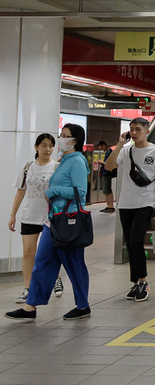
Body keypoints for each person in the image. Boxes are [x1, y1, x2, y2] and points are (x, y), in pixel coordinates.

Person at [5, 124, 92, 321]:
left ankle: (82, 305)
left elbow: (81, 193)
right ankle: (31, 306)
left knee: (74, 264)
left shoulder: (77, 161)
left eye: (65, 136)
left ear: (75, 140)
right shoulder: (64, 161)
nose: (60, 139)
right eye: (61, 135)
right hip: (52, 221)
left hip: (68, 222)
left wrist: (53, 192)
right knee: (42, 263)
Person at [103, 117, 155, 303]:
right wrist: (119, 144)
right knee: (131, 243)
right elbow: (109, 166)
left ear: (147, 131)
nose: (134, 132)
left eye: (138, 129)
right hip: (125, 203)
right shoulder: (125, 150)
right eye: (131, 129)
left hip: (145, 203)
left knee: (136, 240)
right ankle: (136, 282)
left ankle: (143, 281)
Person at [7, 133, 63, 304]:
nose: (48, 149)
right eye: (44, 145)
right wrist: (12, 215)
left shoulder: (57, 167)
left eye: (51, 146)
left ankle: (56, 279)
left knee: (49, 253)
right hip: (29, 216)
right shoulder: (27, 167)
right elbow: (21, 191)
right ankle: (27, 288)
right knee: (28, 253)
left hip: (50, 217)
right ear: (36, 147)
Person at [97, 140, 117, 213]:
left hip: (107, 172)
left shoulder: (110, 151)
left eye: (102, 147)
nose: (102, 149)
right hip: (106, 172)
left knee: (107, 190)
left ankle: (110, 206)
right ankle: (109, 205)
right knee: (106, 190)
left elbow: (110, 163)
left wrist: (101, 162)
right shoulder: (109, 151)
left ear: (104, 145)